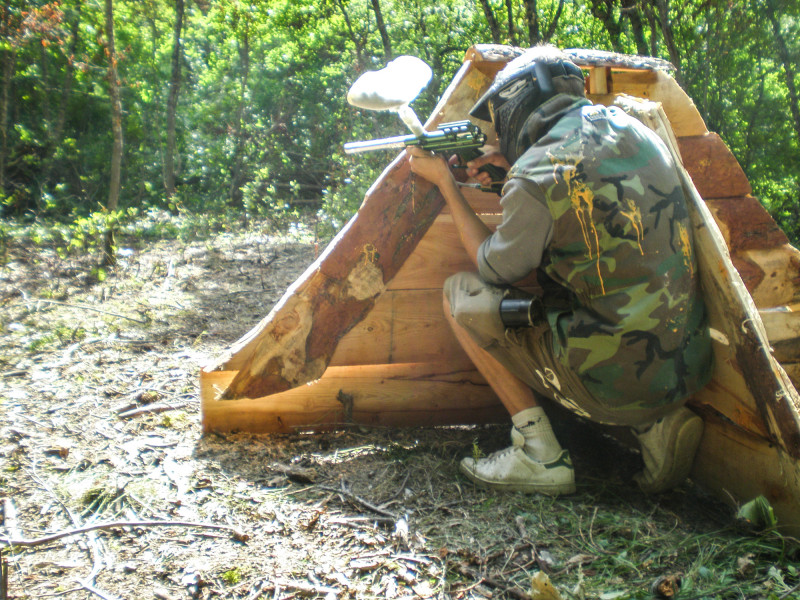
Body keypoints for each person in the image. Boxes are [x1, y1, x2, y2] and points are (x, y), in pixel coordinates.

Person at [407, 45, 713, 496]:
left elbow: (493, 268)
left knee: (461, 295)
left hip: (610, 387)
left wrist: (447, 186)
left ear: (515, 107)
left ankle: (539, 454)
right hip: (685, 368)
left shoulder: (536, 171)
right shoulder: (634, 129)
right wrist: (510, 173)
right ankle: (655, 424)